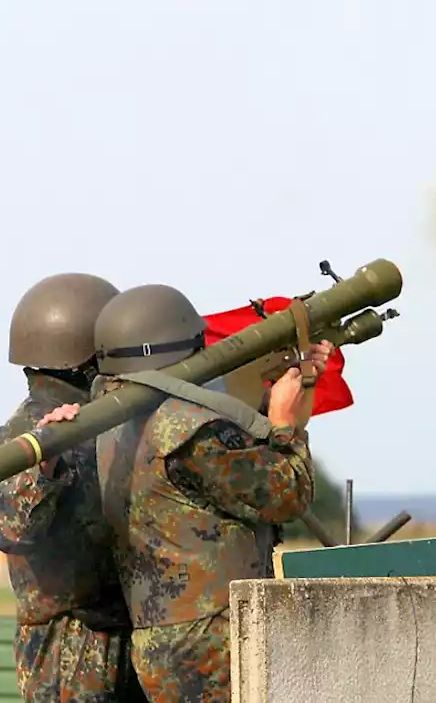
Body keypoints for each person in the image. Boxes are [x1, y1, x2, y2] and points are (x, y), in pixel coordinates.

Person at [91, 283, 325, 703]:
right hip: (212, 640)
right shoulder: (190, 431)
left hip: (159, 638)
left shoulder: (112, 426)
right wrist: (287, 424)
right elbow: (286, 494)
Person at [0, 272, 144, 703]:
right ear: (86, 359)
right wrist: (46, 460)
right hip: (71, 645)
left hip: (124, 629)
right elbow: (10, 529)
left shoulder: (108, 418)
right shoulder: (21, 434)